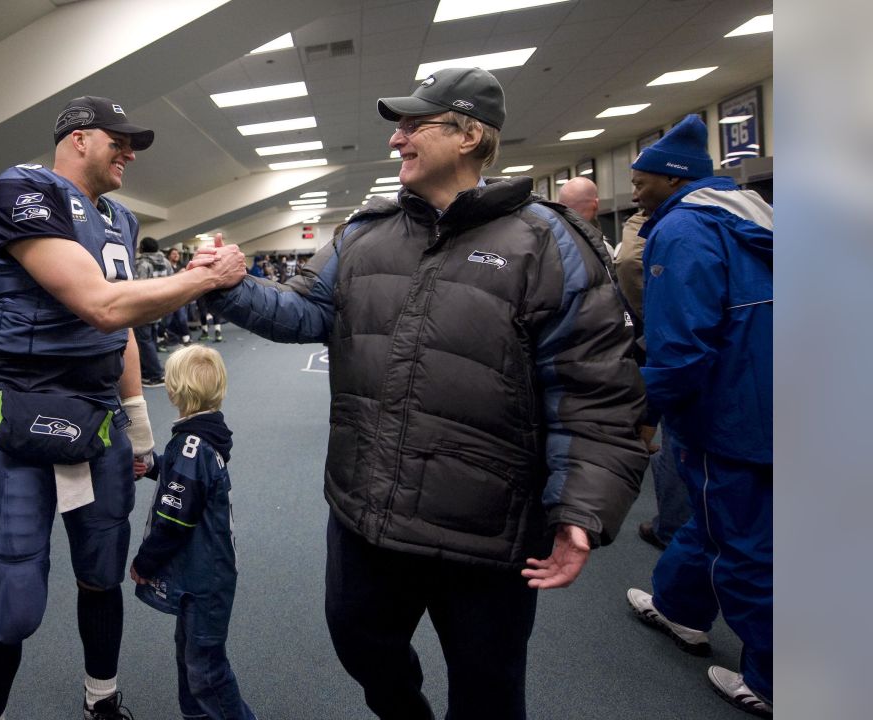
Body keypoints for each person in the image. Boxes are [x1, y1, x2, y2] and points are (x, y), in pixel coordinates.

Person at [202, 67, 648, 719]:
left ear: (469, 135)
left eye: (413, 125)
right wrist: (231, 286)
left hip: (486, 528)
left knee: (488, 690)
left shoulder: (547, 241)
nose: (396, 141)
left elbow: (597, 388)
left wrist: (582, 507)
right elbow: (302, 309)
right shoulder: (362, 235)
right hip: (366, 508)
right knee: (360, 643)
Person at [0, 94, 245, 720]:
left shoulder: (118, 218)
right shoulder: (23, 189)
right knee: (15, 603)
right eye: (117, 140)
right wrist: (206, 277)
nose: (128, 153)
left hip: (97, 421)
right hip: (21, 418)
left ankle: (102, 699)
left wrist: (139, 421)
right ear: (77, 139)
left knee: (102, 573)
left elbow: (120, 329)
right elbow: (100, 304)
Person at [622, 114, 773, 717]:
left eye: (641, 181)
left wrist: (647, 413)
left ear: (672, 176)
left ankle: (775, 679)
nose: (635, 191)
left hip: (733, 414)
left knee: (744, 545)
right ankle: (679, 607)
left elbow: (681, 346)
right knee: (716, 518)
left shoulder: (682, 229)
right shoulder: (755, 215)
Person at [129, 345, 254, 720]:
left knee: (205, 669)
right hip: (203, 573)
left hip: (205, 576)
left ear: (174, 391)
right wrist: (156, 468)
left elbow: (174, 518)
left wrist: (145, 562)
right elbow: (191, 479)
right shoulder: (200, 438)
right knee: (190, 654)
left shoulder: (192, 445)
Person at [614, 208, 691, 551]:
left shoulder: (671, 223)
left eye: (641, 182)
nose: (635, 192)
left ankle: (672, 527)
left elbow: (630, 263)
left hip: (670, 340)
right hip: (667, 338)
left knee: (679, 431)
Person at [132, 236, 170, 387]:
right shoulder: (166, 262)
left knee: (144, 341)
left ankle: (156, 375)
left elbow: (139, 288)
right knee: (151, 340)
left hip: (144, 309)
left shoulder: (143, 263)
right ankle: (148, 373)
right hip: (160, 307)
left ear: (142, 248)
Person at [159, 247, 192, 351]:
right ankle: (160, 340)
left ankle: (186, 340)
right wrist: (179, 274)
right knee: (166, 321)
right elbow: (166, 280)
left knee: (182, 318)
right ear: (169, 255)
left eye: (177, 254)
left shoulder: (181, 266)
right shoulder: (165, 266)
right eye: (174, 254)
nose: (176, 255)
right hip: (168, 298)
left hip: (180, 297)